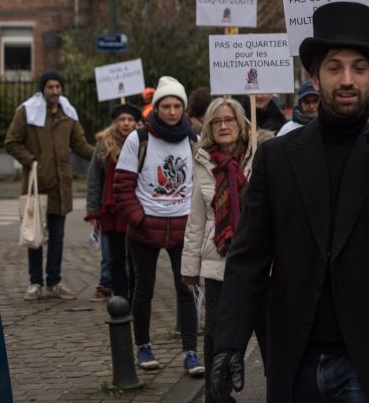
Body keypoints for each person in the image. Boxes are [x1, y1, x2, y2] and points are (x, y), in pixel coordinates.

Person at [209, 1, 369, 403]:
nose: (347, 79)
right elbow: (248, 258)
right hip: (294, 358)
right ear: (315, 77)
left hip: (366, 363)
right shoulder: (278, 158)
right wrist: (228, 343)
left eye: (358, 68)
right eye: (335, 67)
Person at [113, 76, 204, 376]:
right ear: (156, 107)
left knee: (186, 289)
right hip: (144, 228)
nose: (172, 111)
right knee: (143, 289)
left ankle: (190, 351)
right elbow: (122, 187)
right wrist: (139, 219)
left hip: (183, 228)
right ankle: (143, 346)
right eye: (166, 105)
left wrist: (195, 222)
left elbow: (201, 183)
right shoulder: (137, 140)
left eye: (178, 105)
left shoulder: (193, 139)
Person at [181, 97, 257, 402]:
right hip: (217, 262)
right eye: (217, 121)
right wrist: (189, 269)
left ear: (240, 124)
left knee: (266, 333)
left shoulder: (259, 156)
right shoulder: (203, 161)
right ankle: (217, 396)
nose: (224, 126)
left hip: (256, 260)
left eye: (229, 120)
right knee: (216, 336)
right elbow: (196, 219)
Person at [4, 69, 96, 300]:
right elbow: (11, 142)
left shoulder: (68, 115)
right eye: (50, 87)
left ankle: (53, 282)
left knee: (57, 237)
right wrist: (32, 161)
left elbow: (80, 145)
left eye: (57, 87)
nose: (54, 91)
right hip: (36, 186)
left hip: (60, 187)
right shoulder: (27, 112)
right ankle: (35, 282)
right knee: (34, 236)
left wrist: (103, 155)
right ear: (43, 89)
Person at [85, 103, 141, 302]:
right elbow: (94, 179)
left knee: (134, 257)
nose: (126, 123)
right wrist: (93, 211)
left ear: (136, 123)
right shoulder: (104, 144)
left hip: (135, 208)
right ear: (115, 122)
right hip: (111, 209)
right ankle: (120, 296)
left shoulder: (143, 143)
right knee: (114, 256)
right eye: (121, 120)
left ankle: (136, 295)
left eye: (130, 120)